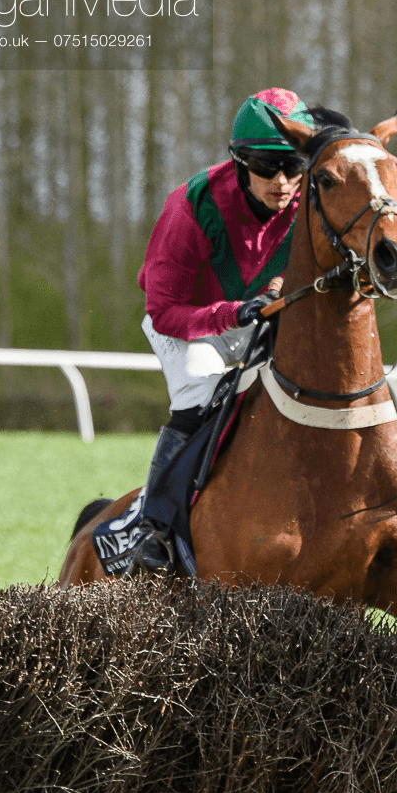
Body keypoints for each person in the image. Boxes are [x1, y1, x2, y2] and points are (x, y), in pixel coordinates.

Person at [123, 87, 315, 574]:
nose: (282, 181)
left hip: (252, 316)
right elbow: (164, 310)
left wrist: (273, 292)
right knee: (202, 393)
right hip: (184, 325)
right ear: (239, 161)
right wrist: (233, 313)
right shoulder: (191, 208)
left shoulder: (310, 202)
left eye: (293, 166)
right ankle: (155, 528)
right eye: (267, 166)